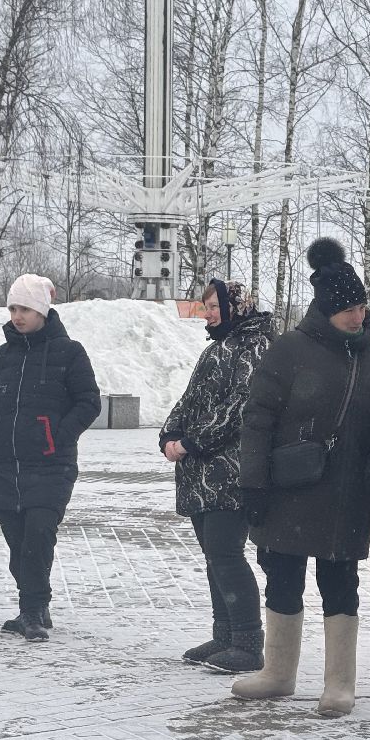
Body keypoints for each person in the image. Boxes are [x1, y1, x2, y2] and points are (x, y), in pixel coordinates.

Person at [231, 239, 370, 716]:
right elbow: (256, 421)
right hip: (288, 491)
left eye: (361, 306)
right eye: (347, 308)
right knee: (281, 579)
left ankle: (339, 684)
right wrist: (252, 485)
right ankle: (278, 673)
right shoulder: (289, 350)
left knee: (340, 585)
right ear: (325, 308)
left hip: (346, 495)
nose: (357, 315)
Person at [0, 275, 101, 641]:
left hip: (50, 465)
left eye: (25, 309)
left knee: (38, 536)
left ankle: (30, 611)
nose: (17, 316)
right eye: (13, 308)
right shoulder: (3, 355)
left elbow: (88, 402)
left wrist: (56, 437)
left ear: (42, 310)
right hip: (4, 465)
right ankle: (37, 603)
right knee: (17, 542)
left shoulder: (70, 352)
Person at [160, 279, 274, 673]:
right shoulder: (216, 348)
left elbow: (242, 403)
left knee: (226, 554)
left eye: (213, 306)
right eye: (206, 306)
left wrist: (191, 441)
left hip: (233, 470)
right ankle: (224, 635)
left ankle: (247, 642)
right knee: (214, 557)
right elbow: (189, 400)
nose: (207, 313)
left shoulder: (254, 345)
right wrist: (170, 434)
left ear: (235, 306)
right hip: (201, 472)